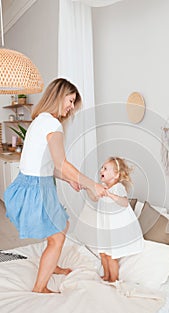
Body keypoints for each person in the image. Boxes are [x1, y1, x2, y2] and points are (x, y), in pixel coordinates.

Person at [4, 78, 106, 293]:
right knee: (58, 236)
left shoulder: (40, 120)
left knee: (61, 228)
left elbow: (47, 165)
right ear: (59, 97)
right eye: (70, 101)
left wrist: (70, 179)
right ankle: (40, 287)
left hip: (32, 183)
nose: (71, 108)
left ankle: (53, 265)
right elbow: (61, 163)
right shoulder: (52, 124)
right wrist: (91, 185)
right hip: (37, 188)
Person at [86, 156, 144, 282]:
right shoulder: (102, 187)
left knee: (111, 255)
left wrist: (110, 194)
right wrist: (87, 188)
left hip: (114, 227)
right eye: (102, 168)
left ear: (116, 175)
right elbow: (94, 198)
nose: (101, 170)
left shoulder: (118, 187)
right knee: (103, 253)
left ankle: (114, 279)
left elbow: (124, 202)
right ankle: (106, 276)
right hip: (104, 225)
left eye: (105, 168)